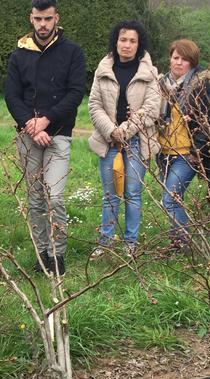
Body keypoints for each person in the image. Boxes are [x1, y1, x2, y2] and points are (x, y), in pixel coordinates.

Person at [5, 0, 86, 275]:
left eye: (48, 19)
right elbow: (12, 96)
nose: (43, 25)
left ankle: (57, 254)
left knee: (55, 195)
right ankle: (42, 254)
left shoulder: (73, 52)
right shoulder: (19, 54)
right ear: (31, 18)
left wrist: (46, 121)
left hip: (59, 134)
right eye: (38, 19)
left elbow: (75, 94)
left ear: (56, 19)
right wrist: (32, 126)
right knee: (35, 197)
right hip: (28, 135)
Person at [88, 20, 160, 258]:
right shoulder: (103, 70)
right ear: (115, 41)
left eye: (132, 41)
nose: (127, 45)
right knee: (110, 194)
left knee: (132, 192)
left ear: (139, 45)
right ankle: (106, 241)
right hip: (108, 142)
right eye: (123, 40)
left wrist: (126, 130)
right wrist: (112, 131)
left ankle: (130, 242)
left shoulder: (149, 73)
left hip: (137, 143)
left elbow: (152, 108)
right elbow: (94, 105)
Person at [156, 39, 204, 247]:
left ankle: (184, 243)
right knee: (174, 198)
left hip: (187, 154)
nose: (178, 63)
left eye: (184, 60)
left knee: (169, 198)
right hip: (163, 152)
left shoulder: (200, 86)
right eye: (176, 58)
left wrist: (198, 149)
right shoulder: (159, 84)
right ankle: (176, 243)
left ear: (192, 63)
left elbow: (207, 122)